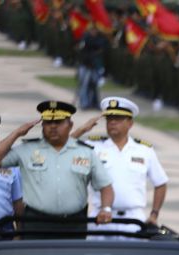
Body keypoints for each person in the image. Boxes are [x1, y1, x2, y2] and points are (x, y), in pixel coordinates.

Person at [0, 100, 114, 235]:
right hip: (36, 224)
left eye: (58, 122)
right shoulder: (27, 150)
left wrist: (106, 209)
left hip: (74, 224)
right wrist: (16, 133)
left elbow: (106, 186)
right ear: (42, 125)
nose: (53, 126)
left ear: (70, 125)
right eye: (48, 122)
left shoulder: (85, 152)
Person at [72, 96, 168, 232]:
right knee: (98, 253)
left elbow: (160, 183)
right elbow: (63, 149)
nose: (112, 123)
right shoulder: (93, 147)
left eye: (117, 119)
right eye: (109, 119)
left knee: (132, 254)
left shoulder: (144, 150)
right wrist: (82, 130)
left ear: (130, 123)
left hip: (133, 220)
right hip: (100, 218)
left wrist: (154, 214)